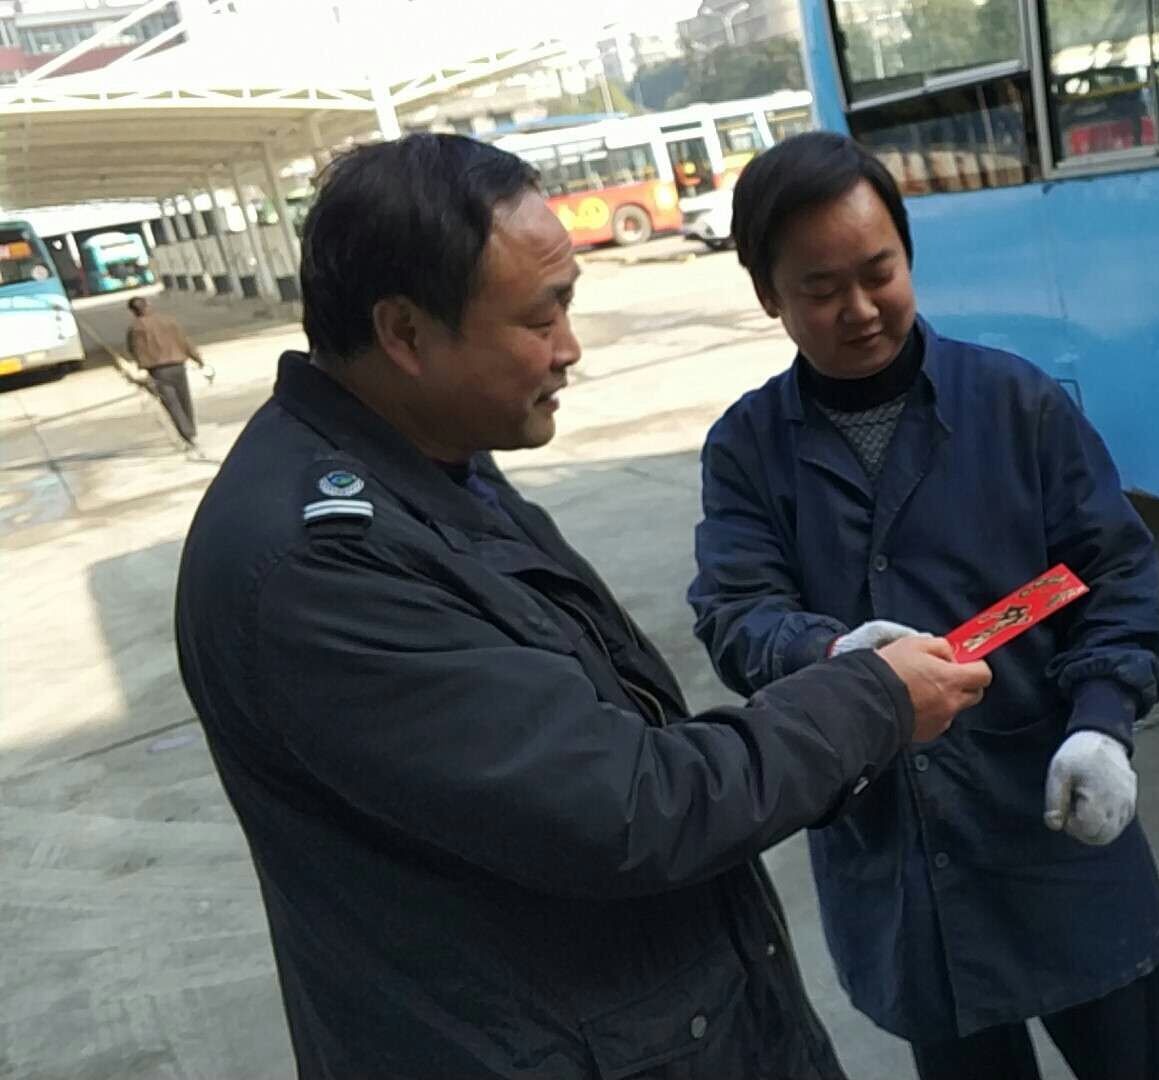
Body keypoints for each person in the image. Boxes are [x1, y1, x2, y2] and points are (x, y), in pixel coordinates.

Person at [173, 133, 992, 1079]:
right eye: (540, 317)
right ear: (405, 333)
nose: (570, 350)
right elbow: (627, 806)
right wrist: (871, 700)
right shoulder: (320, 570)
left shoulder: (432, 466)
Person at [687, 132, 1159, 1080]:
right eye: (820, 288)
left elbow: (1110, 570)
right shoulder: (748, 450)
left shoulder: (1014, 403)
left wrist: (1102, 721)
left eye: (878, 272)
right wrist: (833, 656)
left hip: (1048, 818)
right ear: (768, 294)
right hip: (901, 853)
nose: (859, 309)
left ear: (908, 256)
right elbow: (735, 608)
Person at [124, 295, 206, 444]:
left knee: (172, 403)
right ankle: (191, 429)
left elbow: (133, 349)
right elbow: (184, 341)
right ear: (148, 305)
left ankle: (187, 434)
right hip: (178, 365)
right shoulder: (169, 320)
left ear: (133, 311)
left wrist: (141, 365)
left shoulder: (135, 328)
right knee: (184, 399)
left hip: (158, 371)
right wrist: (198, 359)